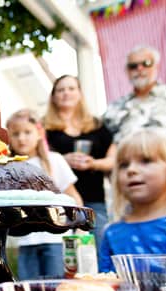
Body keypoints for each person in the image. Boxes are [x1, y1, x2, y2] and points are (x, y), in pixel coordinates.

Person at [98, 128, 166, 278]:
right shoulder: (111, 232)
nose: (131, 170)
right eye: (123, 165)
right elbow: (106, 283)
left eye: (146, 161)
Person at [6, 109, 83, 279]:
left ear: (39, 133)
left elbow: (73, 197)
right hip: (25, 242)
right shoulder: (8, 168)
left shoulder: (54, 160)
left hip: (56, 239)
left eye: (27, 132)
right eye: (16, 134)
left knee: (57, 289)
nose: (21, 138)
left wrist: (78, 228)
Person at [44, 75, 116, 248]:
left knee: (97, 251)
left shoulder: (97, 125)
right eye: (60, 90)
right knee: (64, 255)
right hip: (59, 202)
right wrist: (62, 160)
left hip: (94, 200)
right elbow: (38, 162)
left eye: (71, 88)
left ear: (80, 93)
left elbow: (114, 160)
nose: (66, 93)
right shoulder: (44, 128)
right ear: (53, 97)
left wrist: (93, 164)